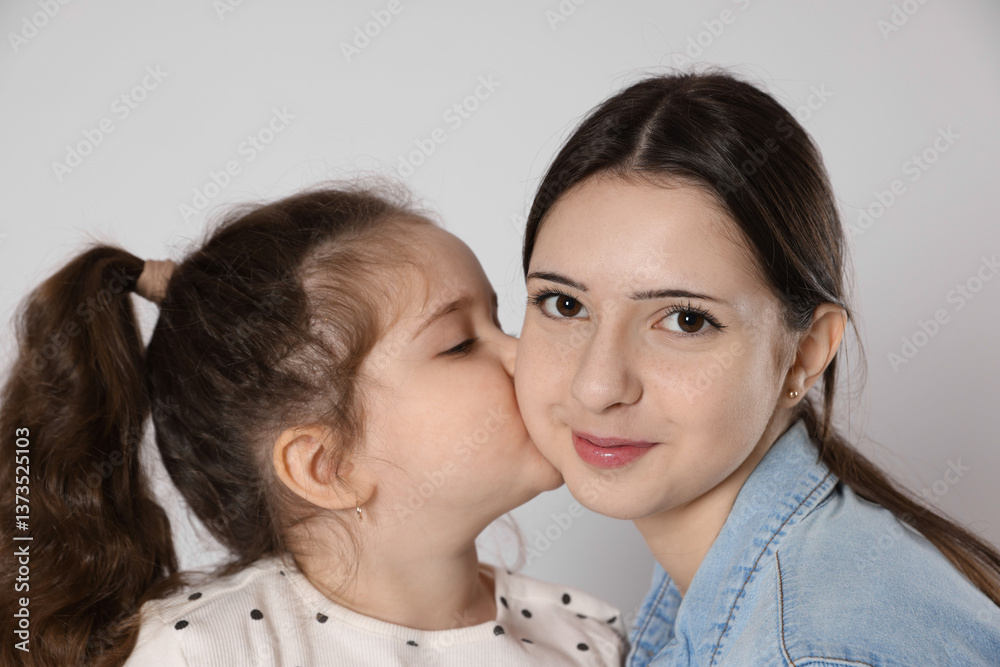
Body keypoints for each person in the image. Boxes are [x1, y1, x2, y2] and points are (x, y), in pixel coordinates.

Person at [0, 184, 626, 666]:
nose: (526, 354)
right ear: (327, 467)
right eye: (461, 344)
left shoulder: (587, 635)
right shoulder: (202, 653)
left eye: (502, 320)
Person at [512, 70, 1000, 665]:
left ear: (805, 353)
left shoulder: (808, 652)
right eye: (564, 305)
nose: (596, 386)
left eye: (685, 320)